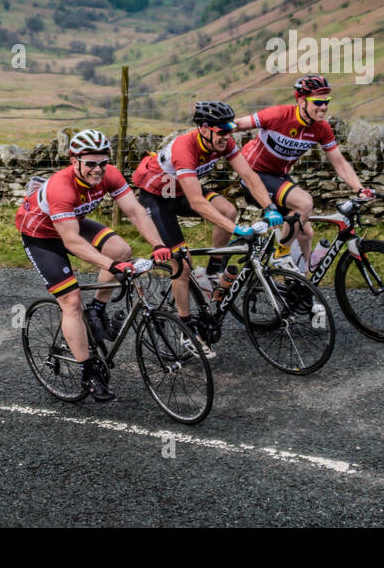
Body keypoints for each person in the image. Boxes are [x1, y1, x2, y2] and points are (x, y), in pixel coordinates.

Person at [16, 128, 172, 402]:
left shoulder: (109, 174)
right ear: (73, 160)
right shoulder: (61, 187)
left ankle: (98, 309)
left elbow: (135, 211)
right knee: (72, 301)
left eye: (102, 162)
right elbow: (72, 242)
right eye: (90, 163)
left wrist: (159, 245)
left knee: (121, 249)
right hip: (42, 235)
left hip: (72, 223)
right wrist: (112, 266)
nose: (98, 169)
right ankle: (88, 371)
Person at [130, 100, 282, 353]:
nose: (227, 135)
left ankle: (213, 272)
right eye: (221, 131)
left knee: (229, 210)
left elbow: (249, 175)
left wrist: (270, 207)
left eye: (230, 129)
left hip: (179, 189)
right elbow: (197, 203)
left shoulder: (225, 141)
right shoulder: (184, 148)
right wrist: (236, 230)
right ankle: (186, 327)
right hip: (156, 197)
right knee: (182, 261)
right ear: (203, 129)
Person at [233, 75, 373, 272]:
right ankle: (280, 255)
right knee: (304, 202)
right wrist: (207, 133)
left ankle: (301, 284)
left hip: (277, 177)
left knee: (305, 232)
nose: (323, 107)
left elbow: (340, 163)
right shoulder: (278, 115)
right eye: (318, 102)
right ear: (301, 101)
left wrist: (359, 188)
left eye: (326, 102)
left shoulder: (321, 128)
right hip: (254, 175)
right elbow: (238, 125)